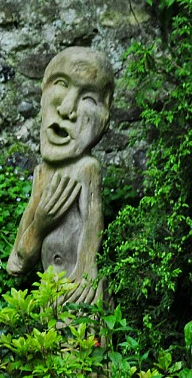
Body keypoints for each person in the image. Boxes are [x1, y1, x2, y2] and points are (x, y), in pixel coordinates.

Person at [7, 47, 114, 304]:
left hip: (81, 294)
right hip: (50, 298)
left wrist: (86, 270)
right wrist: (41, 223)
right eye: (61, 84)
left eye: (88, 98)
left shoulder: (86, 169)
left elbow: (93, 221)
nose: (67, 109)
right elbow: (17, 262)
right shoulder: (42, 174)